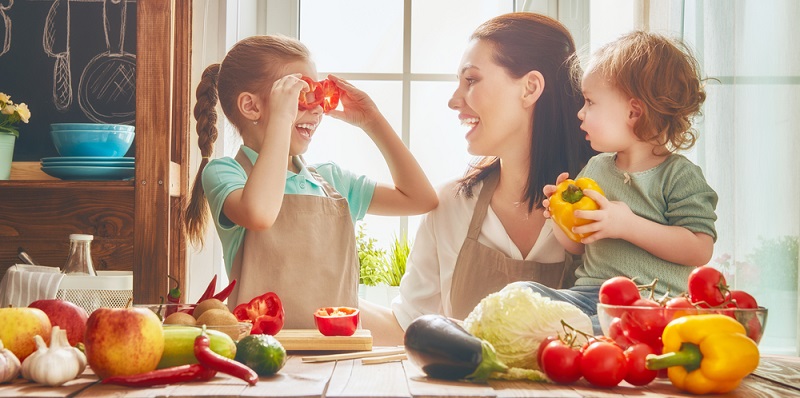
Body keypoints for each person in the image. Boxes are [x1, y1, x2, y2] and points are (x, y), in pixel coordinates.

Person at [359, 12, 595, 344]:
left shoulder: (603, 205)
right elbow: (408, 328)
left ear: (530, 88)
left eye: (471, 80)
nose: (454, 100)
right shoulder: (449, 205)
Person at [183, 35, 438, 329]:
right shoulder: (225, 172)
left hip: (337, 350)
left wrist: (373, 121)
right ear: (251, 107)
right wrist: (281, 117)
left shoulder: (331, 181)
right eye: (300, 96)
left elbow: (421, 199)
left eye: (319, 95)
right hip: (263, 352)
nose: (317, 109)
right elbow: (260, 213)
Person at [530, 30, 718, 332]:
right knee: (524, 293)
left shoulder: (678, 175)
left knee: (595, 328)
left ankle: (565, 337)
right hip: (591, 295)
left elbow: (699, 249)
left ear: (634, 112)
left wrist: (628, 225)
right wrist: (559, 217)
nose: (580, 113)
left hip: (654, 303)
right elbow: (577, 247)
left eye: (590, 102)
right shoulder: (595, 168)